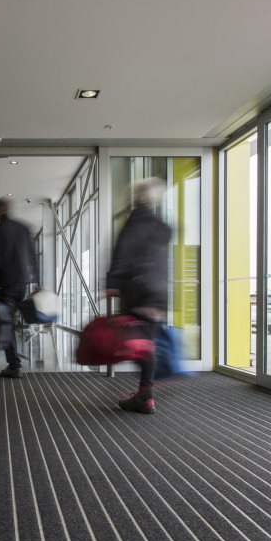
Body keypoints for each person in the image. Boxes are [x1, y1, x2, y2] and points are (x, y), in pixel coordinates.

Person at [105, 177, 172, 414]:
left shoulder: (136, 220)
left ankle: (145, 396)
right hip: (159, 292)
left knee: (135, 342)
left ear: (136, 197)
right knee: (146, 343)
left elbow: (123, 253)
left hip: (138, 290)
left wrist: (113, 283)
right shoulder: (162, 225)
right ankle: (145, 395)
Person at [0, 196, 39, 379]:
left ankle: (14, 365)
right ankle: (14, 363)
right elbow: (33, 256)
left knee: (5, 324)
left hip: (6, 284)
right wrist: (38, 281)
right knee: (9, 323)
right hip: (22, 284)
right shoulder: (24, 228)